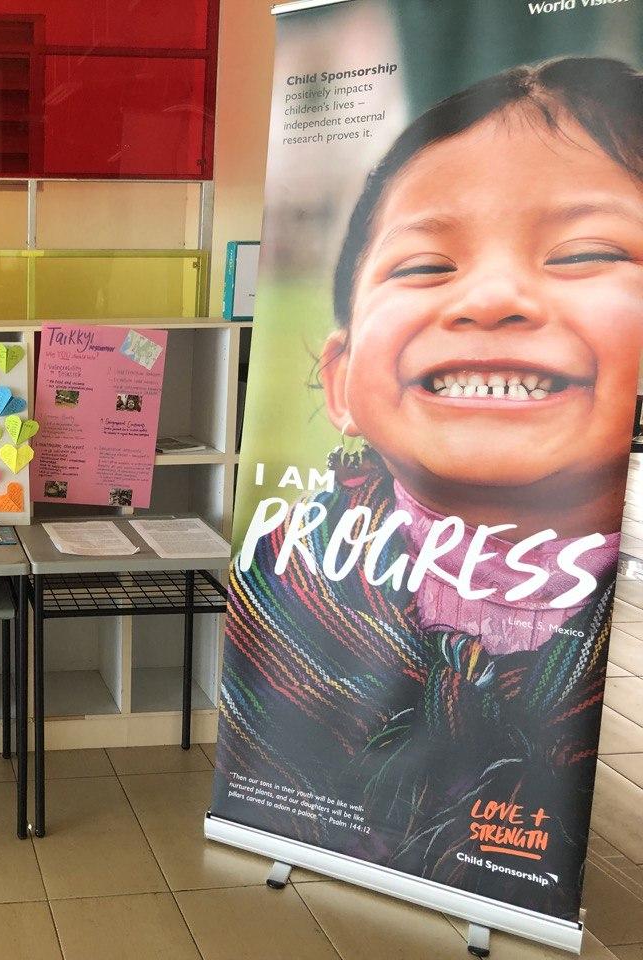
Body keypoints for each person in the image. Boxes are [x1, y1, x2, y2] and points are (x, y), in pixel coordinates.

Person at [218, 57, 643, 917]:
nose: (492, 297)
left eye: (587, 251)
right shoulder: (292, 568)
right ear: (340, 382)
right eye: (424, 266)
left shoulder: (603, 626)